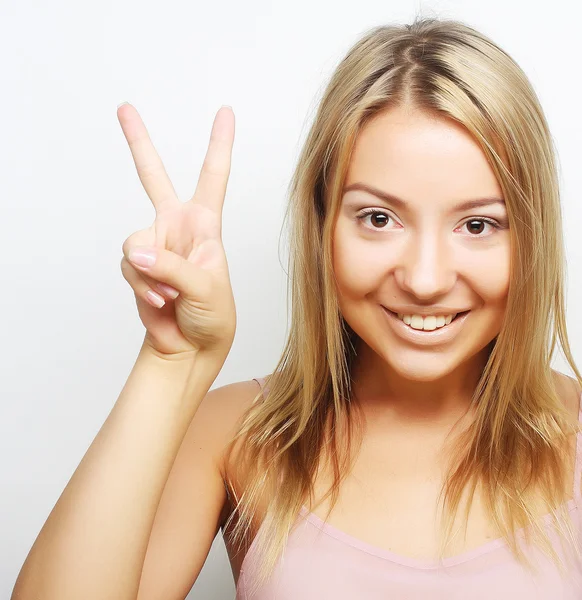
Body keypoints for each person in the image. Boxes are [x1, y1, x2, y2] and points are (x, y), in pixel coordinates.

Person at [11, 15, 582, 600]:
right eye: (378, 218)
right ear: (321, 226)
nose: (426, 279)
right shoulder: (237, 436)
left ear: (533, 237)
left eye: (479, 223)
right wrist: (172, 362)